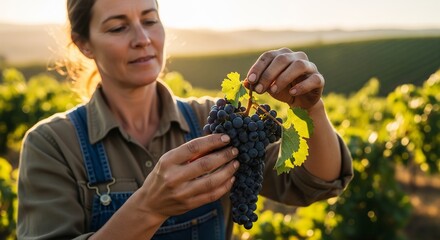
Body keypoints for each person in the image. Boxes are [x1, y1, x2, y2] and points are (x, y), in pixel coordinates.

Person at [17, 0, 353, 239]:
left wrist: (310, 109)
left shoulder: (218, 119)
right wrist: (149, 207)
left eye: (149, 20)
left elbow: (313, 185)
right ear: (84, 44)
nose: (142, 39)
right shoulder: (52, 144)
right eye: (118, 27)